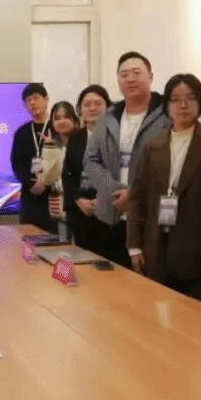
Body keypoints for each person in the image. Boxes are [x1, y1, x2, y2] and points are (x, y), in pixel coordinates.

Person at [128, 74, 201, 307]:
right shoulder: (153, 145)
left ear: (200, 103)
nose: (183, 105)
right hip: (156, 246)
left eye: (190, 98)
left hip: (199, 250)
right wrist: (134, 246)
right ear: (167, 105)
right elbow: (137, 198)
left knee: (194, 315)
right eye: (175, 99)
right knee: (156, 310)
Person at [84, 52, 171, 267]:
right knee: (113, 278)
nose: (130, 79)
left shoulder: (167, 114)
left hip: (151, 217)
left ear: (151, 76)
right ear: (118, 81)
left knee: (148, 279)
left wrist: (134, 195)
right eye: (124, 75)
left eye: (136, 73)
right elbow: (91, 160)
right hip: (112, 214)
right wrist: (115, 190)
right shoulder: (108, 116)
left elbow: (172, 164)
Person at [63, 85, 112, 251]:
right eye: (87, 104)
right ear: (80, 110)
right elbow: (67, 175)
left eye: (98, 103)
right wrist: (78, 200)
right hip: (81, 212)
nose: (92, 108)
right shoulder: (76, 137)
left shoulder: (119, 136)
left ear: (108, 107)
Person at [10, 83, 58, 233]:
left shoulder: (57, 128)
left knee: (53, 239)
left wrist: (45, 182)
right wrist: (31, 184)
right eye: (28, 101)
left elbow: (62, 162)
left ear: (46, 99)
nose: (32, 103)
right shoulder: (22, 132)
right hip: (30, 195)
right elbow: (16, 163)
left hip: (54, 194)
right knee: (28, 237)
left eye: (36, 98)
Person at [45, 101, 79, 236]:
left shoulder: (83, 141)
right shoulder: (51, 144)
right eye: (57, 118)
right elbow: (47, 178)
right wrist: (49, 149)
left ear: (74, 120)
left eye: (66, 117)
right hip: (57, 205)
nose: (62, 121)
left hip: (79, 205)